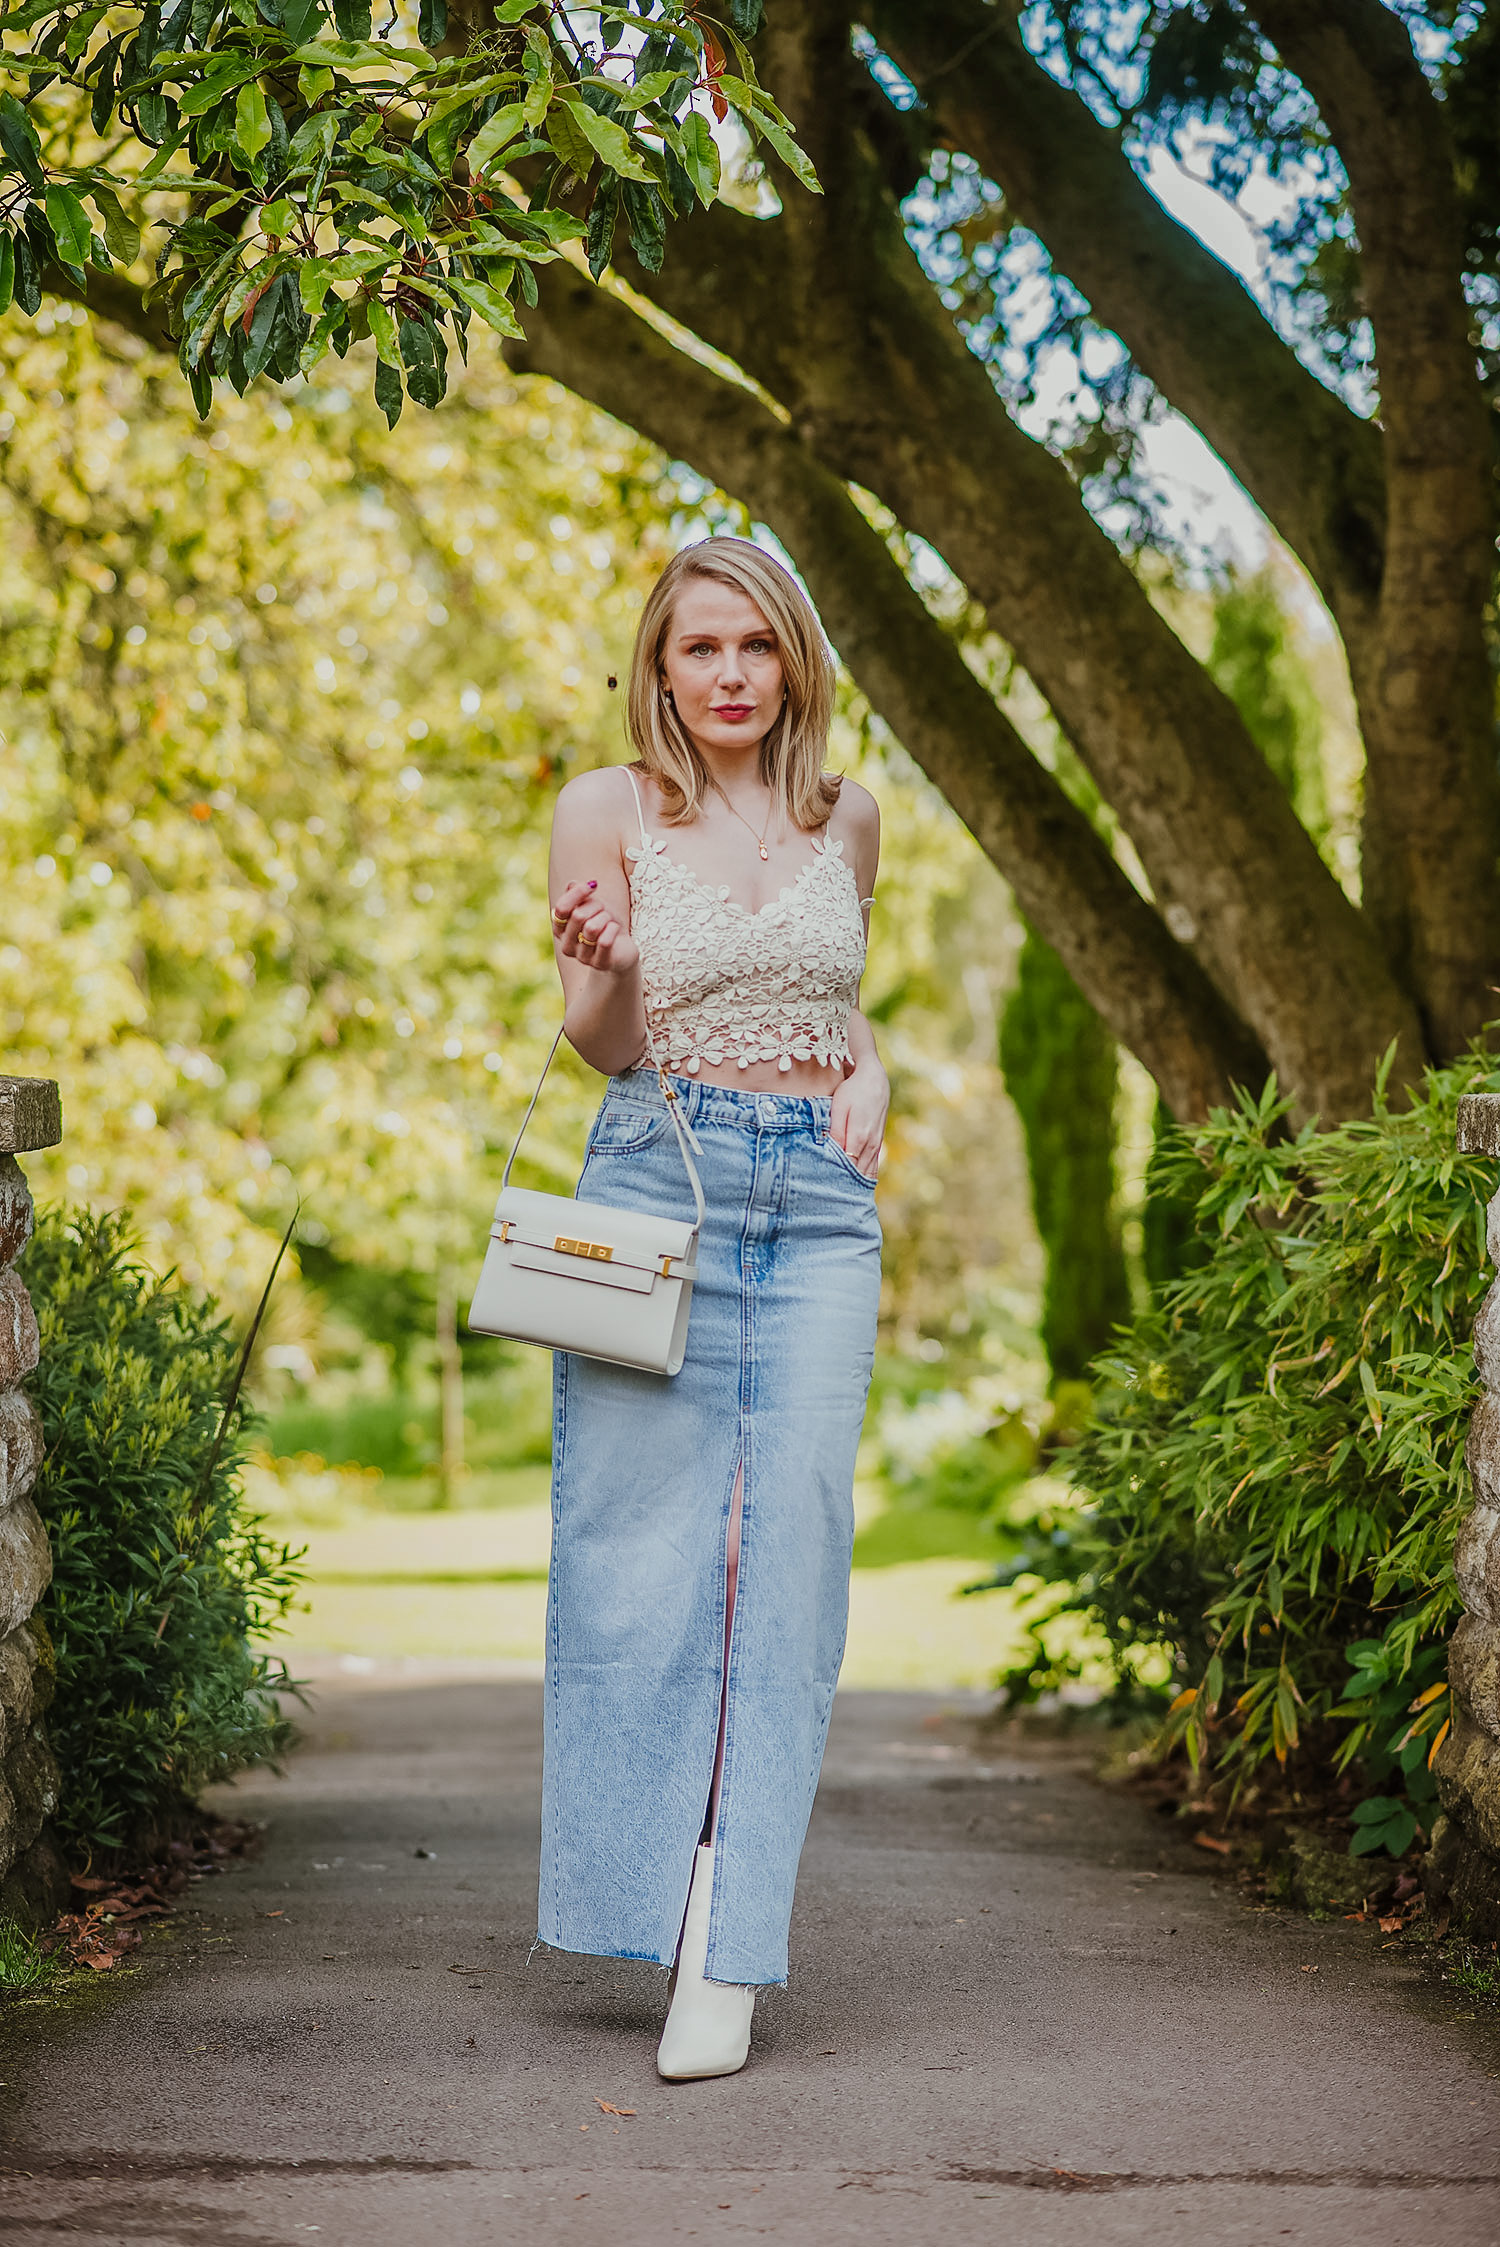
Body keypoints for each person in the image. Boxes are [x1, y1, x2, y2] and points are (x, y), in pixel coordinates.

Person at [540, 535, 887, 2080]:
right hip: (654, 1181)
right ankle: (661, 1899)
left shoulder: (848, 819)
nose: (732, 676)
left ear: (795, 658)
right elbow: (602, 1047)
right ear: (659, 667)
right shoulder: (606, 810)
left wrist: (869, 1074)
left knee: (789, 1553)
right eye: (701, 651)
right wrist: (603, 969)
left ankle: (728, 1941)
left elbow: (839, 1007)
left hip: (818, 1204)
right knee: (645, 1560)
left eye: (756, 646)